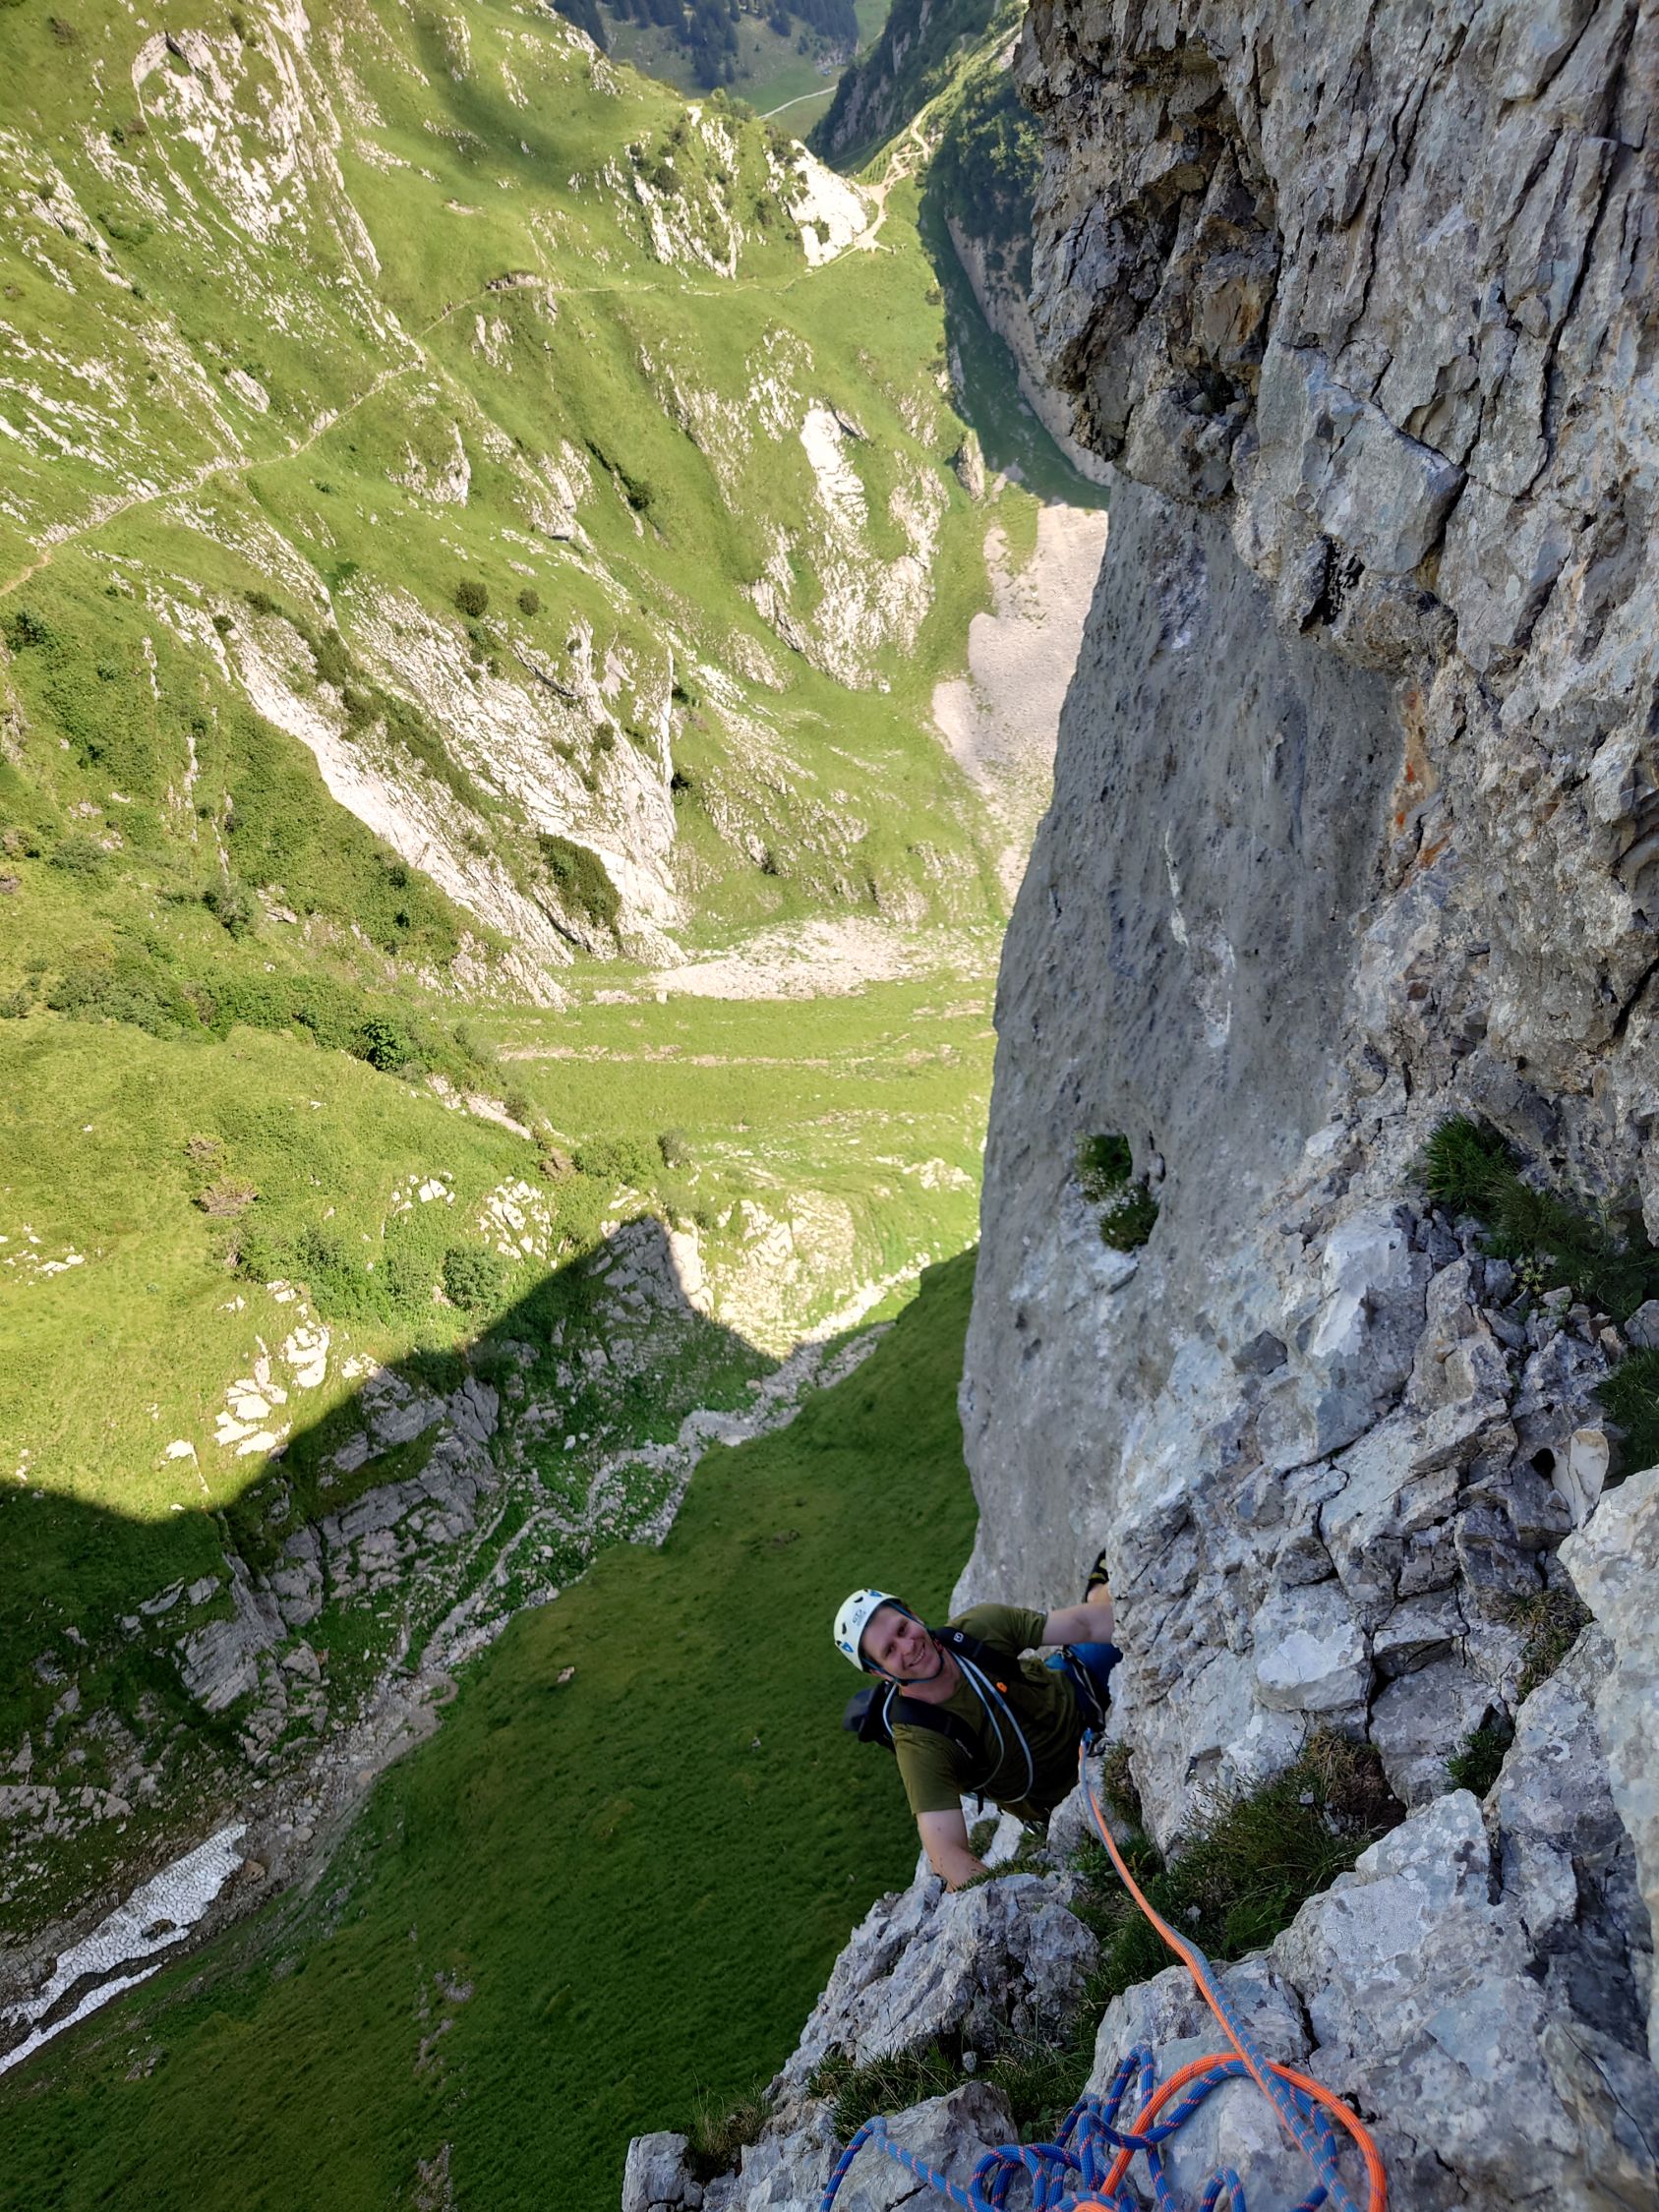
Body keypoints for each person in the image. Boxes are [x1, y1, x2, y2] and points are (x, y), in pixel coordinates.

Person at [833, 1565, 1119, 1891]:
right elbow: (945, 1855)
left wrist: (1135, 1611)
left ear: (913, 1615)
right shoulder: (920, 1742)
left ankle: (1100, 1588)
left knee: (1126, 1612)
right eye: (889, 1651)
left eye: (902, 1628)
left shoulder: (978, 1630)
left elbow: (1085, 1625)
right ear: (879, 1672)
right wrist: (1019, 1900)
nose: (907, 1646)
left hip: (1078, 1688)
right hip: (1060, 1794)